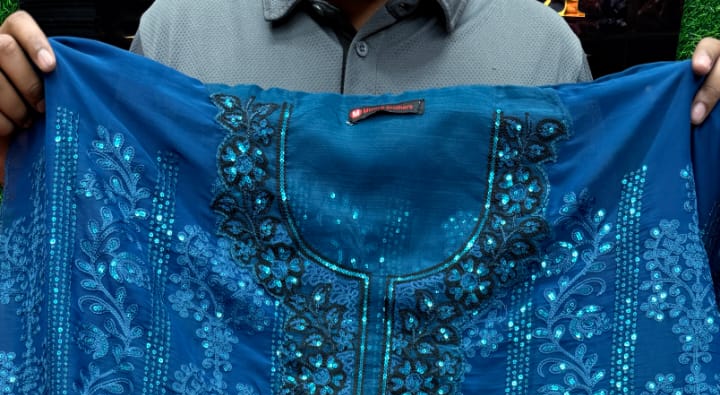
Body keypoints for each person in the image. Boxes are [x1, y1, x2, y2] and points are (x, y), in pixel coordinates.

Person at [1, 0, 720, 186]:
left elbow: (589, 286)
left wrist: (705, 126)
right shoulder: (175, 34)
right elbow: (110, 270)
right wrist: (19, 133)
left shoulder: (540, 50)